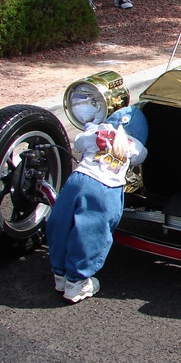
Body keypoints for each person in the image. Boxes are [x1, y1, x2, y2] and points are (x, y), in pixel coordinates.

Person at [46, 106, 148, 303]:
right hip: (105, 187)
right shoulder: (133, 144)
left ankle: (59, 274)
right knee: (92, 232)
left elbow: (78, 143)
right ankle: (76, 281)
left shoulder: (96, 132)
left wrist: (92, 128)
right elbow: (142, 156)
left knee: (61, 223)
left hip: (78, 178)